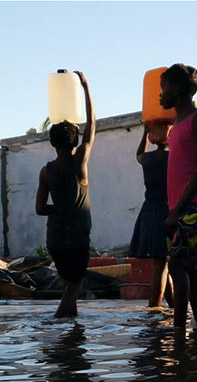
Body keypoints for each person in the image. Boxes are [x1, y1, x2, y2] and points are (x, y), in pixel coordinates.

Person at [35, 70, 95, 319]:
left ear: (52, 142)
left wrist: (59, 208)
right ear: (75, 142)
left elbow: (39, 209)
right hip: (76, 237)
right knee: (75, 285)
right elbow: (92, 125)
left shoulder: (46, 171)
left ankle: (72, 334)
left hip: (55, 238)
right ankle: (55, 327)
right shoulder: (79, 162)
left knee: (68, 284)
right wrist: (85, 88)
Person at [160, 63, 197, 329]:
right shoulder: (176, 124)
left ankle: (179, 330)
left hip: (196, 205)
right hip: (182, 206)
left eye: (164, 88)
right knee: (190, 267)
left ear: (178, 89)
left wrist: (176, 210)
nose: (160, 94)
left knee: (177, 266)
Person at [129, 121, 174, 309]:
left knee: (162, 263)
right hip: (168, 211)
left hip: (150, 211)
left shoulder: (148, 159)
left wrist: (144, 133)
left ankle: (173, 307)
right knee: (162, 264)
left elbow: (138, 155)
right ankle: (154, 309)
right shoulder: (173, 158)